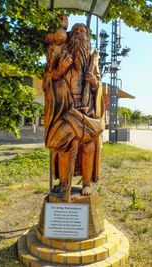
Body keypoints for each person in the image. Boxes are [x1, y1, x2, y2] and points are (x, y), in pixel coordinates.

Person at [43, 22, 104, 201]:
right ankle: (63, 182)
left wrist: (93, 82)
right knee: (62, 146)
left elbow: (99, 85)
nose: (79, 34)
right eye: (75, 32)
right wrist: (58, 72)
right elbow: (47, 82)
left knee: (89, 146)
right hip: (66, 112)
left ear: (87, 38)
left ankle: (86, 183)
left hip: (86, 114)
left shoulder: (92, 60)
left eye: (83, 32)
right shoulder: (62, 57)